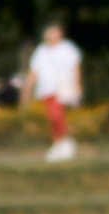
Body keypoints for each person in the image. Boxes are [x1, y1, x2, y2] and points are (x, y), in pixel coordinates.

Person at [24, 19, 84, 165]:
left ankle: (64, 142)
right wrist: (27, 90)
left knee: (57, 115)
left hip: (63, 88)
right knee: (52, 117)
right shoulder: (41, 51)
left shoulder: (68, 48)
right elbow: (34, 72)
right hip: (47, 89)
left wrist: (78, 87)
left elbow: (75, 68)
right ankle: (58, 143)